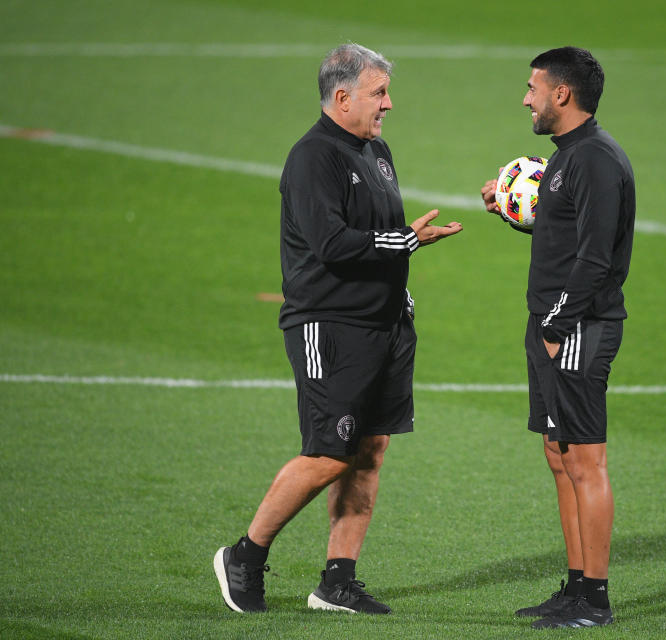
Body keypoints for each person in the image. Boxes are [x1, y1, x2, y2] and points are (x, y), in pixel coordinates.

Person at [215, 43, 461, 615]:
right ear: (342, 96)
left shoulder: (376, 152)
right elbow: (330, 244)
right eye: (379, 93)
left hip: (385, 324)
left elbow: (375, 237)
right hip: (330, 325)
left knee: (370, 449)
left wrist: (399, 278)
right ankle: (245, 556)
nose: (389, 104)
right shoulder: (313, 157)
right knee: (329, 451)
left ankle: (337, 581)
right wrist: (405, 240)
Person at [481, 46, 635, 630]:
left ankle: (594, 599)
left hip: (576, 327)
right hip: (553, 324)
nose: (526, 98)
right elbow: (565, 237)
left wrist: (555, 324)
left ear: (561, 94)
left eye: (532, 88)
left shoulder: (595, 158)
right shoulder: (568, 158)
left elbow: (596, 260)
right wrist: (509, 212)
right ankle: (574, 587)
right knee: (558, 453)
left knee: (586, 459)